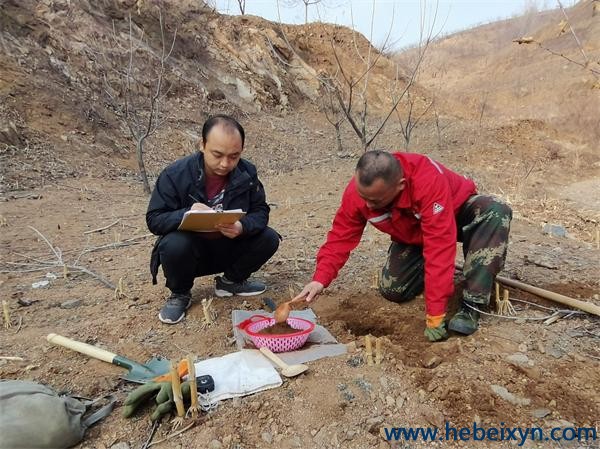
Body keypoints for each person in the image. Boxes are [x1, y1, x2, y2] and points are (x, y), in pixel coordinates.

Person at [294, 150, 512, 341]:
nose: (367, 205)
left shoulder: (427, 180)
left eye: (376, 201)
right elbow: (340, 237)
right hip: (414, 233)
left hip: (454, 215)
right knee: (394, 290)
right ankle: (441, 279)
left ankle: (472, 302)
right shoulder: (359, 194)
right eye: (364, 197)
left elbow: (439, 247)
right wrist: (320, 279)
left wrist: (436, 314)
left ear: (401, 186)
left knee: (494, 211)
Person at [147, 114, 280, 324]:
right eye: (217, 155)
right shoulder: (175, 174)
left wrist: (242, 226)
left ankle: (231, 281)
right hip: (191, 254)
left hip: (229, 245)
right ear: (202, 145)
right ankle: (180, 293)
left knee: (269, 238)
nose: (225, 164)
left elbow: (260, 210)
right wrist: (187, 213)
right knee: (174, 243)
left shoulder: (247, 172)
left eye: (234, 156)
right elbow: (154, 219)